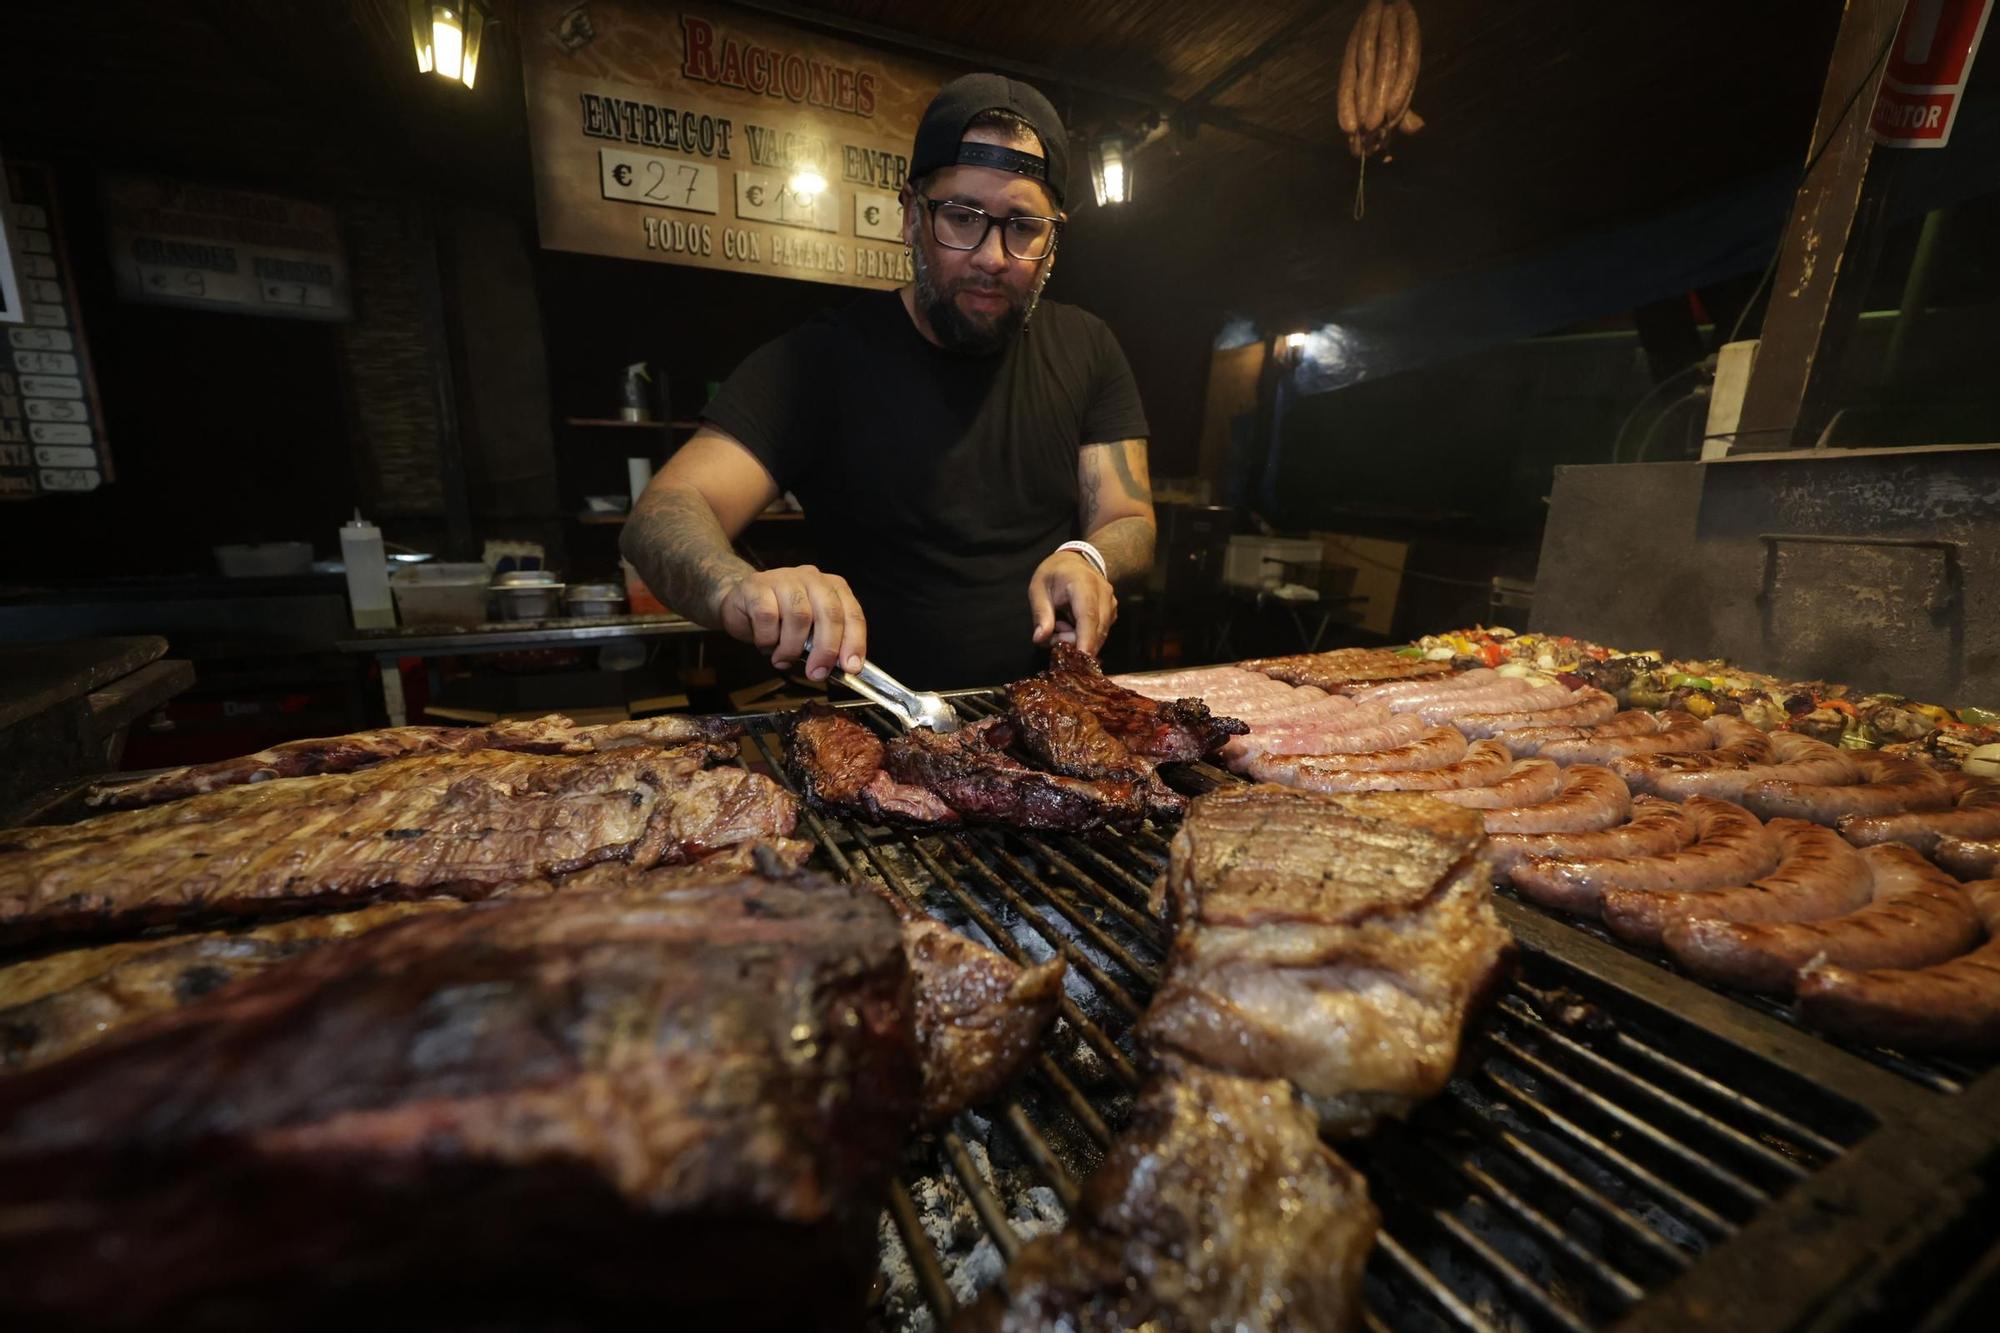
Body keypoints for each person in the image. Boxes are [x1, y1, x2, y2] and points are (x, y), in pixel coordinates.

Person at [621, 73, 1155, 688]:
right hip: (874, 718)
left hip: (1048, 713)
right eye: (962, 217)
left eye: (1023, 226)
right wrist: (739, 588)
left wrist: (1089, 557)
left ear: (1052, 242)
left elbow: (1129, 518)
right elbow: (661, 513)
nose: (992, 257)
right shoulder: (819, 360)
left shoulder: (1088, 348)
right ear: (909, 216)